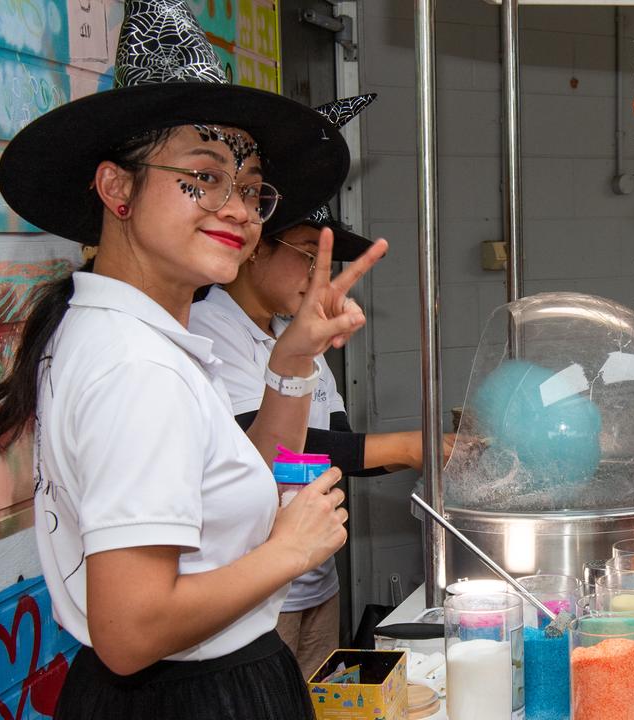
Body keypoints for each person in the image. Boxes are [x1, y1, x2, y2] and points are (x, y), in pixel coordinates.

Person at [0, 2, 387, 716]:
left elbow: (244, 481)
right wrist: (287, 554)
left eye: (248, 185)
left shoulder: (132, 337)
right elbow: (131, 631)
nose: (237, 208)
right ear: (118, 189)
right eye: (202, 177)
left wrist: (293, 360)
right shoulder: (136, 367)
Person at [189, 99, 452, 674]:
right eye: (308, 255)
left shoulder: (293, 334)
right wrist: (412, 446)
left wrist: (423, 450)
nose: (318, 277)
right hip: (255, 591)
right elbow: (274, 450)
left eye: (325, 264)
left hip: (314, 581)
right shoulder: (210, 330)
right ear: (256, 245)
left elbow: (334, 446)